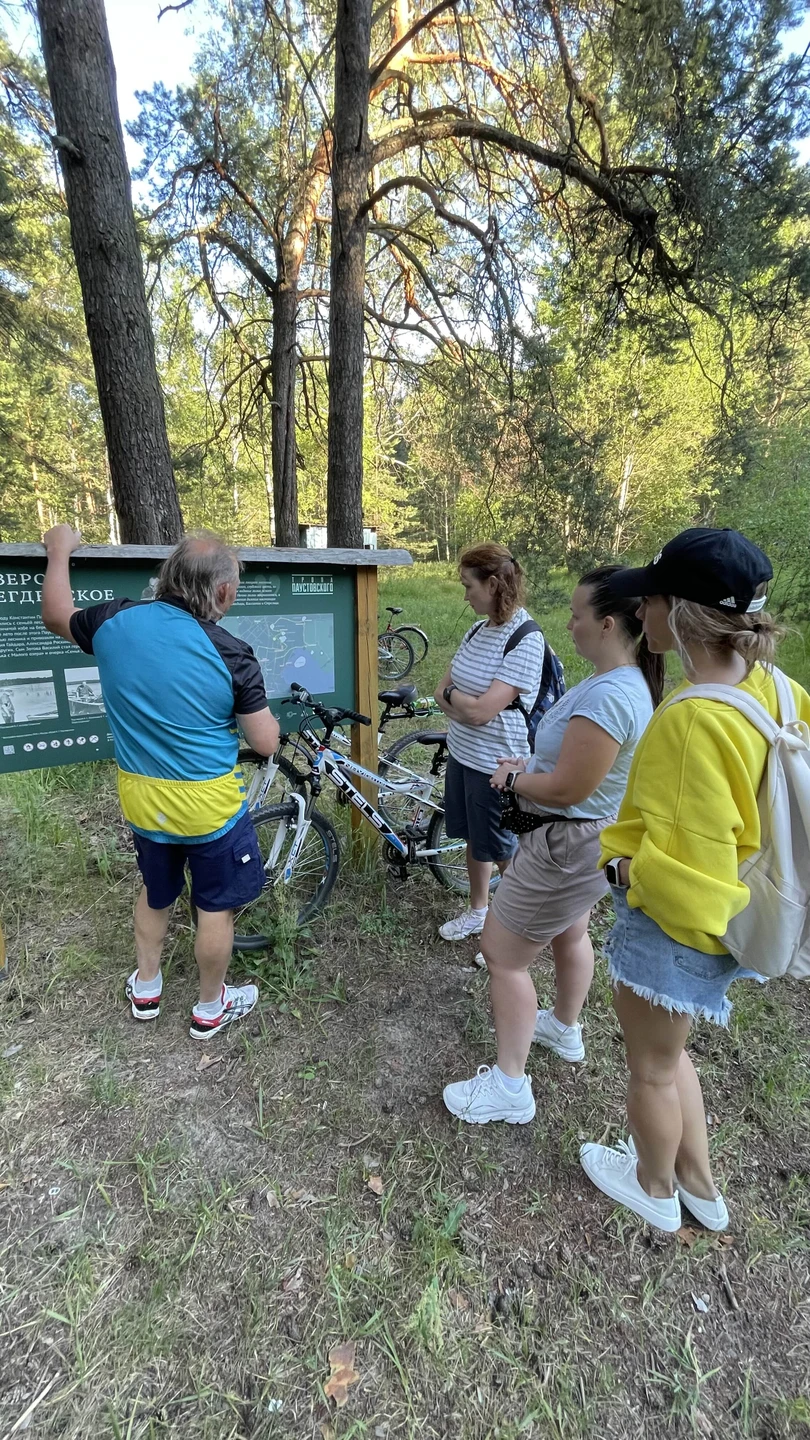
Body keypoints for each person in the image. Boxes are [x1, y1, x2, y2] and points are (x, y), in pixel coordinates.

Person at [580, 527, 810, 1234]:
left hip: (677, 927)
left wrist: (624, 867)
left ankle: (651, 1184)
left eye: (648, 598)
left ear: (678, 612)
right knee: (671, 1055)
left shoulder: (688, 723)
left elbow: (688, 870)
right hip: (739, 912)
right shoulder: (776, 687)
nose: (639, 611)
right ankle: (699, 1185)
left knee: (650, 1067)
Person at [443, 566, 664, 1124]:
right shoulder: (613, 680)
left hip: (568, 842)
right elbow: (573, 765)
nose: (567, 624)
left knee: (502, 955)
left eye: (577, 614)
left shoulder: (612, 696)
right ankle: (564, 1027)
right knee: (571, 930)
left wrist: (515, 779)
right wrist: (532, 763)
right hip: (587, 838)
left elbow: (570, 787)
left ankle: (510, 1085)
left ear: (609, 623)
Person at [41, 525, 280, 1040]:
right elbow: (265, 743)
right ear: (221, 592)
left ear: (169, 576)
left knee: (156, 892)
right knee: (214, 906)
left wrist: (59, 551)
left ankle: (146, 988)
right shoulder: (231, 652)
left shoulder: (114, 620)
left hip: (143, 798)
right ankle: (210, 1008)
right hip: (210, 807)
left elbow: (55, 615)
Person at [433, 544, 545, 941]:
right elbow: (440, 689)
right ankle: (478, 912)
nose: (465, 595)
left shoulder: (526, 639)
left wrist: (460, 703)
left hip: (496, 766)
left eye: (469, 586)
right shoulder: (478, 629)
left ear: (494, 584)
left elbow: (482, 711)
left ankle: (517, 933)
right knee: (472, 838)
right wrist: (463, 704)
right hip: (463, 753)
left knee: (501, 849)